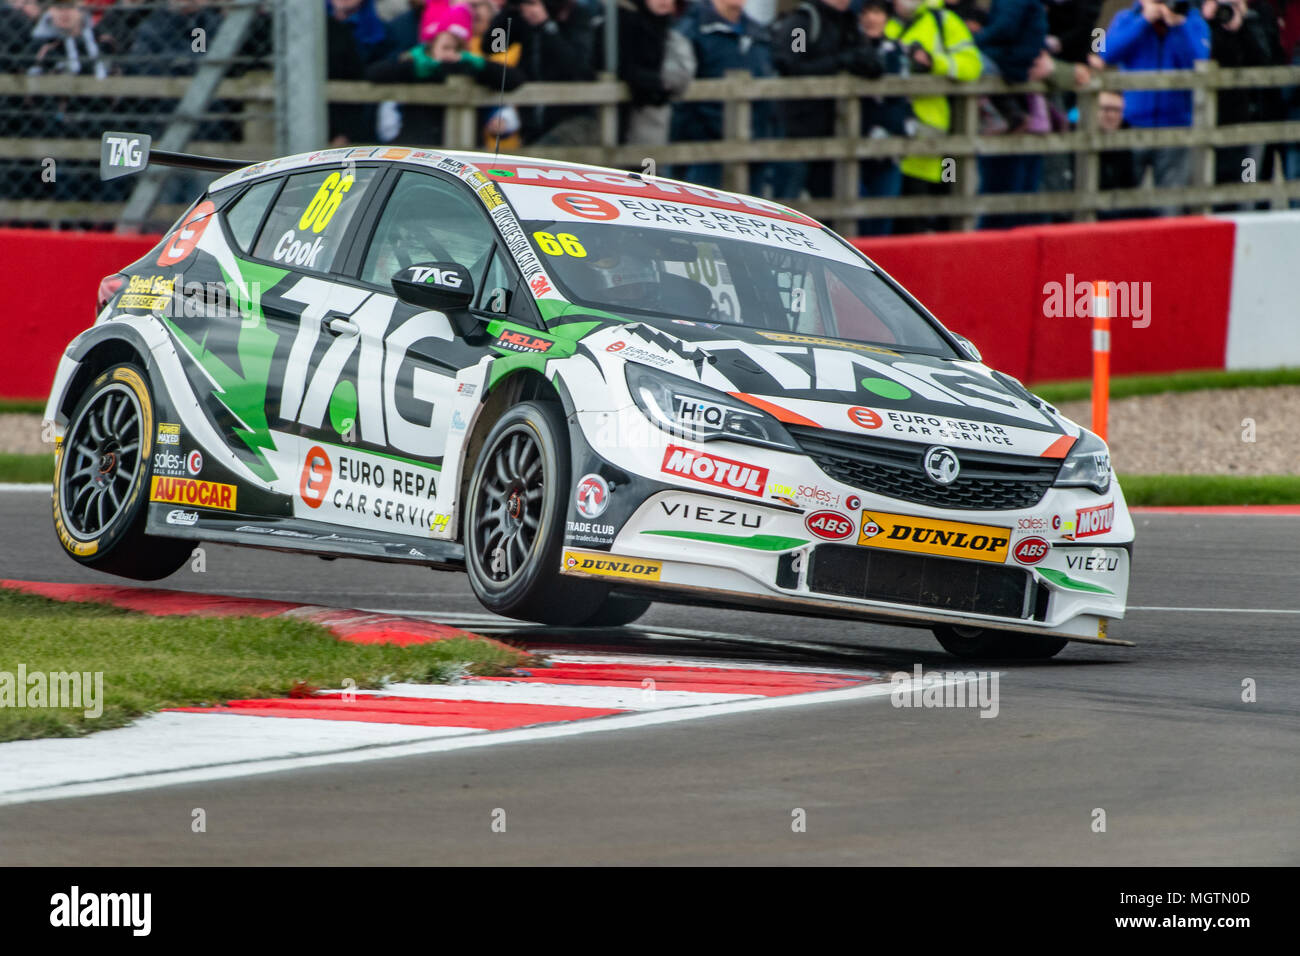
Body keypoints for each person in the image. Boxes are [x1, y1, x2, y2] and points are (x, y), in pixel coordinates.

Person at [1100, 0, 1211, 215]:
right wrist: (1143, 21)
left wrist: (1178, 27)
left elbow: (1199, 63)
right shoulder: (1127, 18)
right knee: (1124, 203)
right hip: (1132, 124)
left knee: (1169, 207)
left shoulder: (1193, 21)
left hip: (1175, 127)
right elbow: (1107, 52)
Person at [885, 0, 982, 233]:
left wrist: (933, 63)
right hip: (890, 143)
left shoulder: (943, 20)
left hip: (930, 142)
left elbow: (972, 66)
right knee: (890, 228)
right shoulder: (885, 21)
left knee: (925, 225)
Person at [769, 0, 882, 199]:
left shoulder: (850, 24)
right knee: (788, 201)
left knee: (833, 204)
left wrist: (860, 59)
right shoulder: (803, 22)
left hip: (837, 132)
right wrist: (840, 61)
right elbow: (792, 67)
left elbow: (874, 67)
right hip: (797, 131)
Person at [367, 3, 525, 143]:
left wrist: (478, 64)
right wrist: (420, 66)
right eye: (445, 47)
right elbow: (374, 74)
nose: (450, 54)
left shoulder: (470, 67)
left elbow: (514, 80)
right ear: (432, 46)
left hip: (464, 152)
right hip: (418, 148)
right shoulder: (415, 65)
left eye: (457, 49)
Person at [670, 0, 780, 190]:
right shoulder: (692, 31)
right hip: (703, 149)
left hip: (754, 142)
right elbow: (681, 91)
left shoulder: (759, 33)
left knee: (752, 211)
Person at [490, 0, 597, 145]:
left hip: (570, 118)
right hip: (532, 120)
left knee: (539, 156)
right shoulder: (523, 18)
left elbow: (576, 67)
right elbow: (493, 46)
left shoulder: (575, 15)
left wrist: (546, 25)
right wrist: (510, 9)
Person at [857, 0, 910, 235]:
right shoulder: (850, 49)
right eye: (866, 12)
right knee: (855, 223)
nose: (871, 18)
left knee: (882, 221)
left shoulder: (896, 50)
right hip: (854, 145)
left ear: (886, 17)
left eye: (877, 12)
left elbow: (901, 98)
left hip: (889, 148)